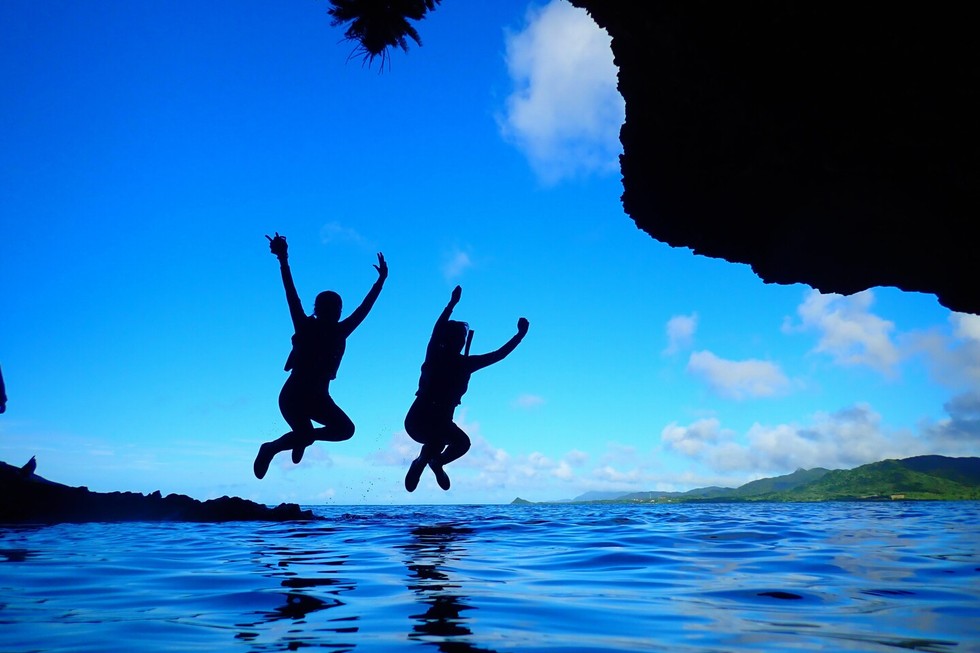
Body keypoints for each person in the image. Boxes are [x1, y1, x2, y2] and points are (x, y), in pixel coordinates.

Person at [253, 233, 388, 479]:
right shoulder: (305, 326)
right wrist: (283, 259)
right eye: (330, 308)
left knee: (345, 430)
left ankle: (301, 440)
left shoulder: (341, 330)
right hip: (294, 395)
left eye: (338, 308)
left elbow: (364, 309)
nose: (335, 312)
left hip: (320, 397)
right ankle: (270, 448)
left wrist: (380, 282)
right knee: (304, 434)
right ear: (318, 310)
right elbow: (290, 293)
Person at [404, 285, 529, 492]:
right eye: (457, 339)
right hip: (419, 420)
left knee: (462, 443)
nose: (460, 343)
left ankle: (436, 462)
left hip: (441, 422)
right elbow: (437, 330)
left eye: (461, 339)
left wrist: (519, 336)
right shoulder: (434, 354)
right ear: (448, 340)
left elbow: (499, 355)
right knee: (436, 442)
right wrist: (451, 304)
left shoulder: (466, 364)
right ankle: (421, 461)